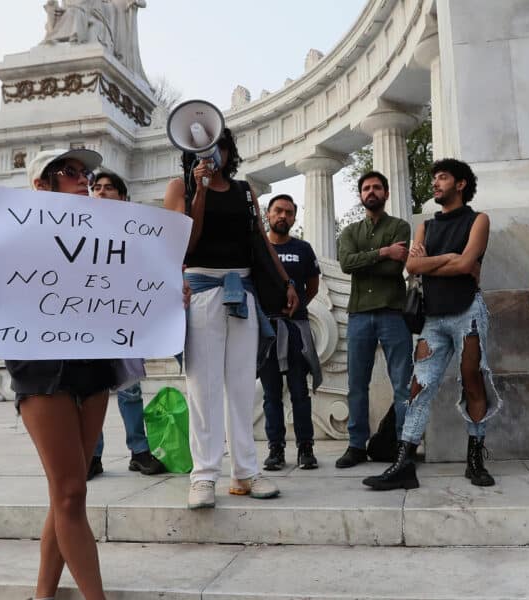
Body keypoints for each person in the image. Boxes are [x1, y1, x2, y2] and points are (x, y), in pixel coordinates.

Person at [0, 148, 184, 600]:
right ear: (41, 185)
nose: (84, 180)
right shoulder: (5, 236)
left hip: (94, 372)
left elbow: (143, 284)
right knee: (72, 491)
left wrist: (173, 293)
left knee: (66, 495)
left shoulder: (108, 236)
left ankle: (43, 595)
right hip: (41, 374)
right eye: (71, 172)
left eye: (87, 173)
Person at [163, 127, 298, 508]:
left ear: (228, 150)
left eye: (218, 145)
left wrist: (285, 280)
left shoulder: (243, 191)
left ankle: (245, 471)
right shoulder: (180, 188)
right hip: (201, 289)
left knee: (241, 388)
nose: (212, 153)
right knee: (203, 389)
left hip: (242, 293)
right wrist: (200, 190)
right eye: (202, 146)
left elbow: (259, 238)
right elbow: (184, 243)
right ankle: (204, 475)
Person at [363, 158, 502, 490]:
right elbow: (411, 266)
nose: (436, 183)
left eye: (443, 177)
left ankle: (475, 459)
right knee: (418, 388)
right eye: (435, 178)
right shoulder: (426, 224)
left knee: (472, 382)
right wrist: (446, 259)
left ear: (461, 184)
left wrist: (437, 263)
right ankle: (403, 464)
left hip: (468, 311)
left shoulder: (478, 220)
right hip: (434, 318)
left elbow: (468, 262)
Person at [85, 168, 166, 479]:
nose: (102, 192)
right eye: (97, 187)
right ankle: (92, 455)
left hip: (122, 318)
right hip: (87, 319)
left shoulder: (135, 233)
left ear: (122, 196)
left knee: (129, 388)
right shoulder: (77, 230)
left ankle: (139, 451)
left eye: (109, 188)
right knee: (92, 390)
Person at [336, 171, 413, 468]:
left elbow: (395, 270)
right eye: (366, 188)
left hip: (393, 313)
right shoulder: (350, 232)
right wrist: (383, 252)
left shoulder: (400, 227)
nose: (371, 192)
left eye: (377, 187)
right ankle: (356, 445)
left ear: (386, 193)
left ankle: (403, 444)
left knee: (402, 384)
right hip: (359, 315)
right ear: (360, 195)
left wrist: (366, 261)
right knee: (356, 383)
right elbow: (346, 263)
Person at [260, 193, 323, 471]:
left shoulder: (304, 249)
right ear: (268, 215)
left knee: (300, 391)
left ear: (294, 217)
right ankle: (276, 449)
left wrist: (295, 309)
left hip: (296, 329)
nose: (283, 216)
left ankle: (305, 448)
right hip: (267, 331)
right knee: (271, 393)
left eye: (288, 212)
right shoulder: (258, 248)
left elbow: (312, 287)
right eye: (277, 211)